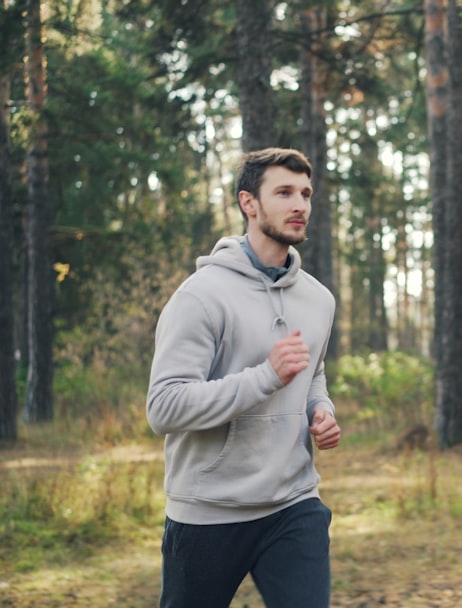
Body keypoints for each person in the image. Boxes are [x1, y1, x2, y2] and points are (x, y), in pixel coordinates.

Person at [146, 147, 341, 608]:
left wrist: (321, 409)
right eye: (285, 192)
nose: (300, 205)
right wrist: (264, 377)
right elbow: (164, 408)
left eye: (306, 194)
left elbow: (313, 375)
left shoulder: (318, 299)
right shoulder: (200, 297)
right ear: (248, 203)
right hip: (209, 510)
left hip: (294, 502)